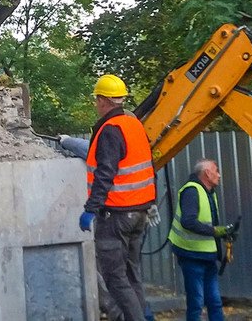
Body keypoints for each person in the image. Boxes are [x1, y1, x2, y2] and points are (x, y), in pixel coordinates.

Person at [78, 74, 157, 321]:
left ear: (102, 100)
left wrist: (91, 208)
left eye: (96, 100)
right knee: (132, 276)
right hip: (139, 213)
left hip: (116, 215)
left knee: (115, 278)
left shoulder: (110, 129)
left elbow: (105, 173)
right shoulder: (134, 125)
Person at [167, 159, 240, 321]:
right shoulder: (192, 191)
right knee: (197, 303)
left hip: (206, 256)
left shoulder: (208, 192)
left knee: (214, 302)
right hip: (192, 255)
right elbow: (189, 222)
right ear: (207, 173)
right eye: (216, 171)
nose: (219, 175)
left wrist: (223, 233)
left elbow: (206, 223)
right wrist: (216, 231)